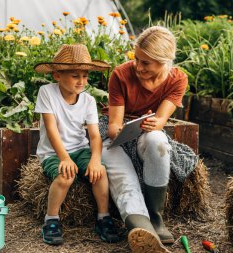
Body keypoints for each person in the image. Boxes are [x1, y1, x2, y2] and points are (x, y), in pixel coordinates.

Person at [101, 26, 197, 253]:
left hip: (146, 131)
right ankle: (140, 228)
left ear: (164, 62)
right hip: (119, 133)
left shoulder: (178, 79)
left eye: (146, 63)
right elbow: (114, 125)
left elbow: (161, 119)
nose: (138, 66)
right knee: (122, 174)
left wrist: (152, 125)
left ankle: (156, 218)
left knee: (158, 141)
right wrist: (122, 131)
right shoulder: (121, 74)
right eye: (137, 59)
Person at [34, 44, 119, 245]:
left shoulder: (88, 100)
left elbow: (95, 136)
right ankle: (51, 220)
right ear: (57, 75)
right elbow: (52, 129)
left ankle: (103, 218)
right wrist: (64, 158)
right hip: (53, 152)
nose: (82, 81)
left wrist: (96, 160)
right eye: (75, 76)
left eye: (85, 75)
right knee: (66, 177)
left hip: (80, 149)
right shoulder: (46, 92)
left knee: (100, 173)